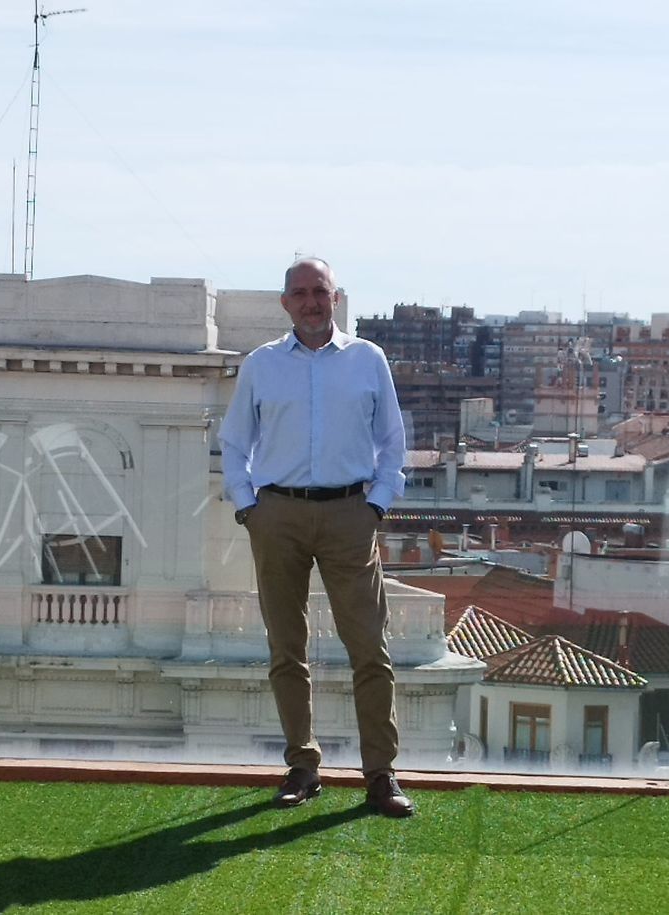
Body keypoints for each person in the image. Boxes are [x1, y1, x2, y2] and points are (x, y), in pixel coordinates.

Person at [218, 256, 413, 818]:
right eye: (299, 293)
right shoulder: (261, 365)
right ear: (285, 303)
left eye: (319, 292)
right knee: (287, 647)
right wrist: (248, 506)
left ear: (336, 298)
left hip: (351, 513)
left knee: (370, 648)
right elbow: (235, 442)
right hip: (276, 515)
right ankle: (302, 766)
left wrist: (377, 503)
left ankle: (381, 774)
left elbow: (392, 440)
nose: (310, 301)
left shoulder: (367, 359)